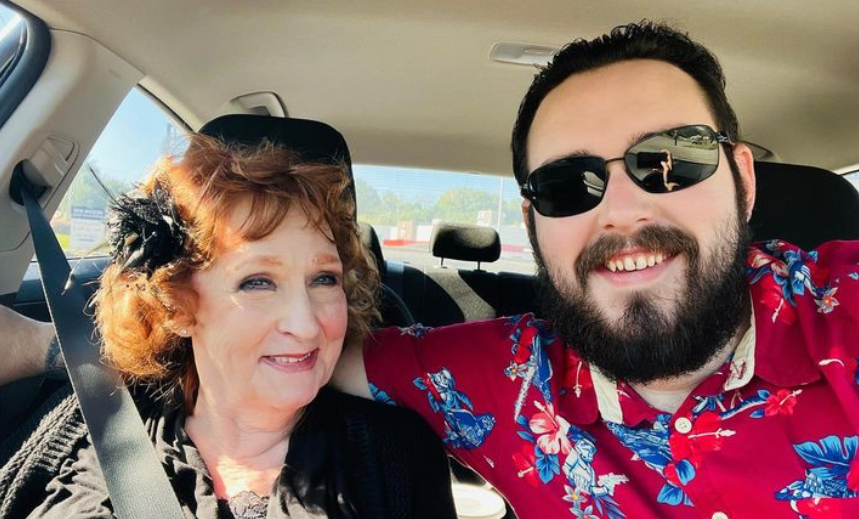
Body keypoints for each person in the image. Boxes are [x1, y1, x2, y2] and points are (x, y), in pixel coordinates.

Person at [4, 20, 859, 519]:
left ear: (741, 177)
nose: (623, 210)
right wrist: (59, 349)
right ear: (533, 218)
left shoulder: (842, 311)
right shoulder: (501, 377)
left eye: (669, 160)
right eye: (568, 185)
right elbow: (296, 355)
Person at [0, 134, 456, 518]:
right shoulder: (96, 432)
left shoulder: (398, 456)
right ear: (177, 306)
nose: (305, 325)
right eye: (258, 282)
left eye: (324, 279)